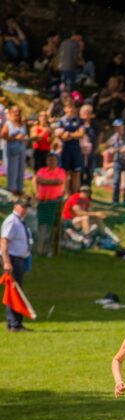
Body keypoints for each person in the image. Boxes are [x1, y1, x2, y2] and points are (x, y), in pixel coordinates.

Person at [1, 198, 33, 332]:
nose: (24, 209)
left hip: (20, 259)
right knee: (14, 292)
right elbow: (4, 240)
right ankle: (13, 324)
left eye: (26, 207)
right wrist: (7, 261)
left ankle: (16, 323)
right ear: (15, 206)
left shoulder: (21, 221)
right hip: (13, 259)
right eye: (22, 206)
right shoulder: (12, 221)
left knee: (17, 291)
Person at [55, 103, 85, 195]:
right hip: (65, 149)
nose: (70, 110)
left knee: (76, 173)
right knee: (65, 173)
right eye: (68, 107)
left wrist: (69, 134)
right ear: (65, 109)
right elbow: (59, 135)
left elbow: (81, 134)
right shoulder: (61, 121)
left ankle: (75, 194)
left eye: (72, 107)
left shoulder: (79, 120)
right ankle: (66, 193)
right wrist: (73, 134)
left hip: (75, 149)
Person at [1, 106, 27, 195]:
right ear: (11, 113)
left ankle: (19, 189)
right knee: (12, 169)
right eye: (15, 112)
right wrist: (15, 138)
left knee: (21, 169)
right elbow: (3, 135)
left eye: (19, 112)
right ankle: (11, 189)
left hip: (21, 149)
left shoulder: (23, 124)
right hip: (11, 150)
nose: (17, 114)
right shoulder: (8, 124)